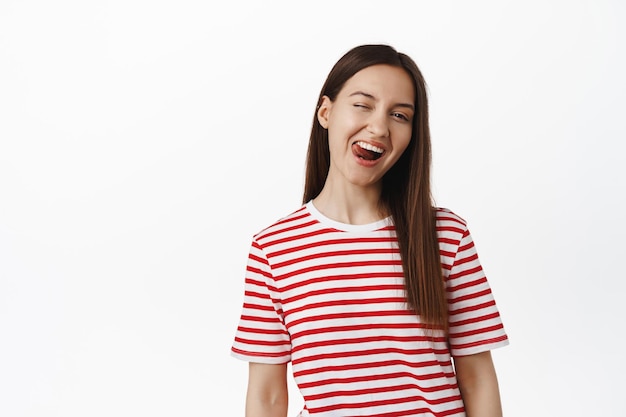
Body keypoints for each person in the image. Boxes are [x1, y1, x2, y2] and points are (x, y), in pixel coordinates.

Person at [231, 44, 509, 417]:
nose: (379, 127)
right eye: (363, 104)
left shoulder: (445, 235)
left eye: (399, 115)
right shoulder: (273, 249)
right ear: (326, 112)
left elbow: (478, 379)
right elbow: (267, 397)